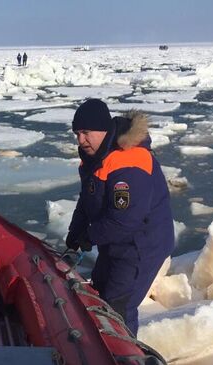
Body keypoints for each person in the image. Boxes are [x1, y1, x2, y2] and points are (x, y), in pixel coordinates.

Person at [66, 99, 174, 336]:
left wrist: (88, 237)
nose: (80, 140)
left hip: (141, 244)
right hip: (114, 239)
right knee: (100, 291)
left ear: (103, 129)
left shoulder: (130, 161)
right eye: (77, 133)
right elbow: (88, 198)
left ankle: (124, 355)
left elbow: (125, 220)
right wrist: (76, 231)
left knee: (118, 306)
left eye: (86, 132)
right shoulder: (96, 156)